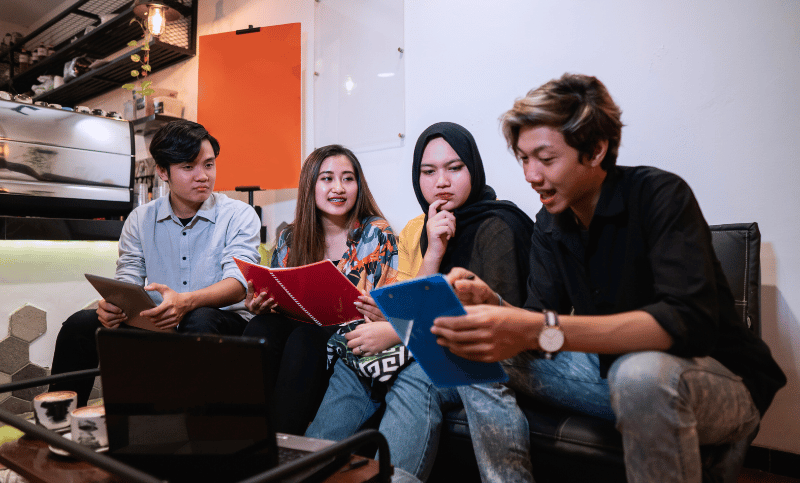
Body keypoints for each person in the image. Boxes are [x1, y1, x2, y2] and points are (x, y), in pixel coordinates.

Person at [431, 73, 787, 483]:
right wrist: (493, 306)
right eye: (523, 159)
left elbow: (685, 322)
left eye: (545, 159)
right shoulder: (550, 223)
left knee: (638, 375)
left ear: (596, 149)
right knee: (477, 347)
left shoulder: (660, 195)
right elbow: (540, 331)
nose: (530, 175)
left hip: (716, 380)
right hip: (611, 372)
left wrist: (540, 327)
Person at [305, 122, 534, 481]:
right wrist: (431, 255)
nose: (440, 181)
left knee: (419, 373)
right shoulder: (419, 228)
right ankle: (303, 468)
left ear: (472, 168)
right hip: (425, 338)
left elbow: (494, 321)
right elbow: (412, 299)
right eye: (428, 172)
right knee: (353, 353)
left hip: (479, 350)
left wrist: (397, 331)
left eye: (454, 168)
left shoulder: (499, 225)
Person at [50, 120, 262, 406]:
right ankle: (58, 424)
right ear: (163, 171)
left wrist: (185, 302)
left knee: (200, 318)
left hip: (223, 325)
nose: (203, 176)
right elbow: (128, 276)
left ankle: (197, 430)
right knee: (81, 325)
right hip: (157, 325)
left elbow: (239, 284)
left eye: (209, 165)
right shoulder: (140, 219)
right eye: (188, 167)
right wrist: (115, 304)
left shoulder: (239, 214)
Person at [242, 144, 398, 435]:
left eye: (348, 178)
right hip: (298, 329)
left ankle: (280, 445)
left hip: (347, 341)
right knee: (262, 327)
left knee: (305, 338)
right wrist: (261, 303)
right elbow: (281, 297)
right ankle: (243, 433)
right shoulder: (291, 237)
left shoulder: (376, 233)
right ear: (310, 186)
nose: (338, 188)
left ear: (358, 185)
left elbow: (384, 309)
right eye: (327, 178)